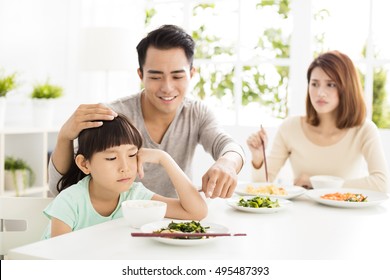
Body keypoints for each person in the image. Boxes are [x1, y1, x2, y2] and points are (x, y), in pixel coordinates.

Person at [48, 24, 244, 199]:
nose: (167, 87)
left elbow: (228, 145)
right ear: (140, 75)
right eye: (156, 77)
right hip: (119, 222)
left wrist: (227, 162)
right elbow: (60, 190)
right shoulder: (114, 115)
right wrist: (65, 136)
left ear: (191, 74)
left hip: (175, 220)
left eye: (177, 76)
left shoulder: (196, 113)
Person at [43, 114, 207, 238]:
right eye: (111, 158)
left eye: (132, 155)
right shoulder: (70, 202)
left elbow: (195, 212)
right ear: (85, 164)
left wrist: (164, 158)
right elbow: (60, 259)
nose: (125, 167)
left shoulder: (135, 195)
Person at [247, 50, 389, 192]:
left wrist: (316, 183)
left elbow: (382, 184)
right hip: (301, 212)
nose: (320, 92)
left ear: (347, 88)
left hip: (346, 213)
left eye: (331, 84)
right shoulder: (290, 127)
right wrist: (259, 158)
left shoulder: (364, 130)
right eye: (314, 84)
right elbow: (262, 186)